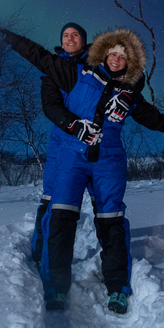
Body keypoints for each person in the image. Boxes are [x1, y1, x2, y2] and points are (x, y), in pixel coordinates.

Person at [1, 27, 164, 314]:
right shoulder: (76, 74)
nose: (117, 58)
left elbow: (155, 119)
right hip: (72, 155)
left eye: (123, 56)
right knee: (61, 218)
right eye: (113, 53)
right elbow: (41, 58)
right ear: (103, 53)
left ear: (129, 62)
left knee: (111, 222)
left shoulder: (128, 94)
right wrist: (11, 38)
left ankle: (117, 288)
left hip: (109, 161)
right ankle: (56, 286)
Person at [31, 22, 94, 270]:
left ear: (83, 39)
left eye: (75, 34)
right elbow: (51, 105)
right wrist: (73, 125)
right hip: (62, 142)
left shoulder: (96, 67)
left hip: (94, 144)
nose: (70, 39)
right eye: (65, 35)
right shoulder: (53, 70)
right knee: (51, 198)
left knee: (103, 204)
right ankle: (40, 252)